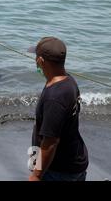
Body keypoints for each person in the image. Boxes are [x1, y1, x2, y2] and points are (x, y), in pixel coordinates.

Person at [28, 37, 88, 181]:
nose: (35, 60)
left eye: (36, 57)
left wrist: (36, 175)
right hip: (71, 159)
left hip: (59, 170)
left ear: (41, 61)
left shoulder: (55, 98)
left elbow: (50, 142)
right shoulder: (68, 80)